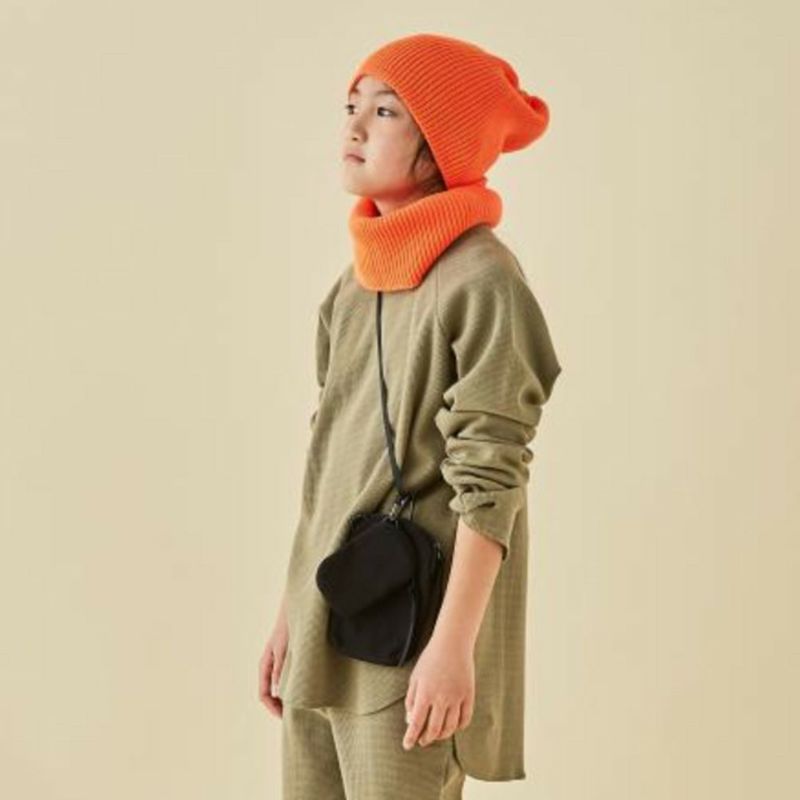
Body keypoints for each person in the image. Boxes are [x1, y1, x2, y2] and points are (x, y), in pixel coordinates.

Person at [258, 32, 563, 799]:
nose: (355, 127)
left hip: (412, 638)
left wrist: (454, 647)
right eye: (351, 106)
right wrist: (292, 612)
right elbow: (329, 458)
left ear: (441, 144)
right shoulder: (353, 286)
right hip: (328, 618)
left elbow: (491, 480)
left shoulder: (484, 281)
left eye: (387, 111)